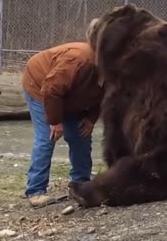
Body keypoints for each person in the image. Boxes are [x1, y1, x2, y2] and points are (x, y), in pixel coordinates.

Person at [21, 41, 103, 208]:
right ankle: (35, 191)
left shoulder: (117, 71)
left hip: (71, 96)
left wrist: (91, 119)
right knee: (47, 138)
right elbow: (52, 89)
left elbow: (105, 95)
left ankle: (81, 185)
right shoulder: (78, 60)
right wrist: (55, 121)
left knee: (81, 135)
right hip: (41, 86)